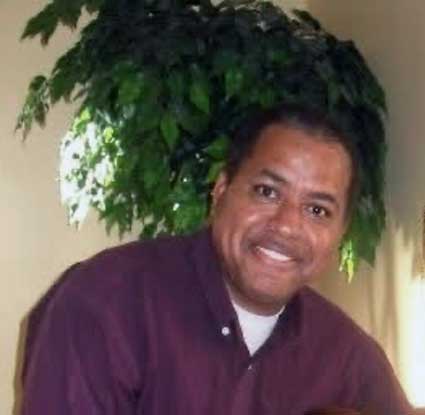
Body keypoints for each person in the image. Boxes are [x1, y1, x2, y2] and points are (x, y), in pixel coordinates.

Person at [20, 103, 412, 415]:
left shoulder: (348, 359)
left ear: (340, 233)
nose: (287, 225)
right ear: (221, 190)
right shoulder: (106, 302)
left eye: (317, 210)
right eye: (267, 191)